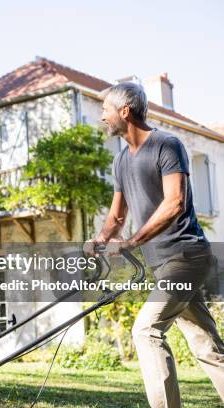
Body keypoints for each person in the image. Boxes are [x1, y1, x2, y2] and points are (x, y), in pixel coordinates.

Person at [85, 82, 224, 407]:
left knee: (145, 331)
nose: (102, 117)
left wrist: (133, 240)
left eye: (106, 110)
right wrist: (101, 238)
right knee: (206, 346)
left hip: (187, 256)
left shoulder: (166, 145)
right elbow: (117, 215)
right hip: (164, 265)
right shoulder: (121, 160)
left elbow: (175, 202)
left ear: (124, 111)